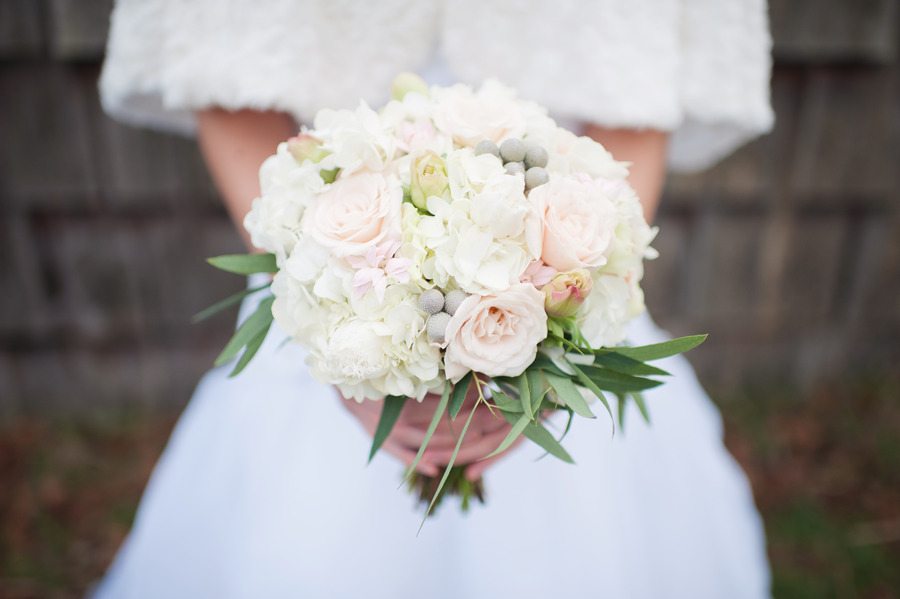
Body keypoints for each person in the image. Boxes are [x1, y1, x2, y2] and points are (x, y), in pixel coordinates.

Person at [94, 1, 775, 597]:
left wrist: (541, 336)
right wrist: (337, 326)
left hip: (555, 276)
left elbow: (636, 94)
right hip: (330, 281)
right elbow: (222, 69)